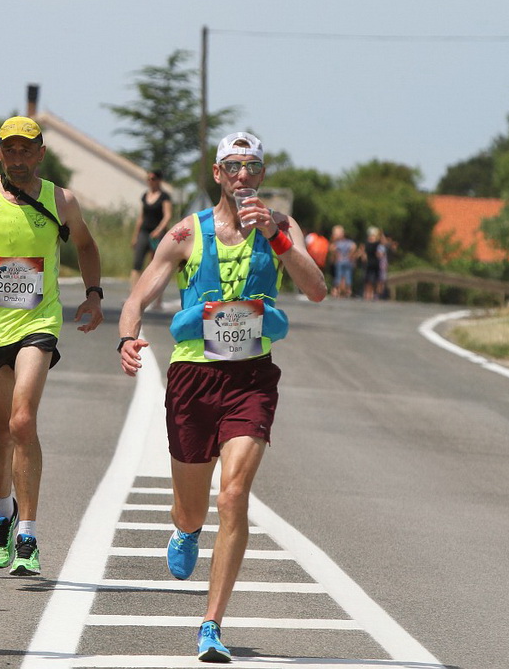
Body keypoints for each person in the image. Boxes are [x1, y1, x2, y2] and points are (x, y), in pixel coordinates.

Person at [117, 132, 327, 663]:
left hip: (251, 379)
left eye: (251, 167)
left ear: (261, 173)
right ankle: (186, 529)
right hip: (193, 379)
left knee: (233, 496)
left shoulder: (280, 227)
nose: (242, 176)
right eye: (232, 167)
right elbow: (139, 297)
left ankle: (211, 624)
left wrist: (278, 240)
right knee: (192, 506)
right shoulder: (188, 233)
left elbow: (318, 288)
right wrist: (127, 338)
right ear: (216, 174)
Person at [0, 115, 104, 578]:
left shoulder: (61, 200)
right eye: (10, 150)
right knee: (2, 433)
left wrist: (93, 295)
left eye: (26, 149)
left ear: (41, 153)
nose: (18, 158)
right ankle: (1, 513)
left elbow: (86, 247)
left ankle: (27, 534)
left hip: (39, 320)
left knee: (23, 419)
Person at [130, 169, 173, 310]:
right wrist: (135, 235)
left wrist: (159, 230)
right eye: (148, 178)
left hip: (158, 234)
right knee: (137, 263)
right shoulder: (145, 196)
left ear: (159, 180)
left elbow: (167, 216)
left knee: (156, 265)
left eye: (153, 178)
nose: (150, 181)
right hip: (144, 231)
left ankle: (157, 299)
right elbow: (141, 216)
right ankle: (133, 297)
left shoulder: (164, 197)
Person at [328, 224, 355, 299]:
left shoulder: (341, 243)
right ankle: (341, 290)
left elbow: (353, 247)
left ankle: (342, 291)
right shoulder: (336, 242)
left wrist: (349, 256)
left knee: (341, 276)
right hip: (339, 262)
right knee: (341, 276)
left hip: (340, 262)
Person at [362, 226, 385, 301]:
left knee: (371, 280)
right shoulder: (374, 244)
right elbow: (381, 241)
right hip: (372, 263)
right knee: (369, 280)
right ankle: (369, 294)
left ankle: (369, 294)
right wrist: (380, 233)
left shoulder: (368, 244)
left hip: (373, 263)